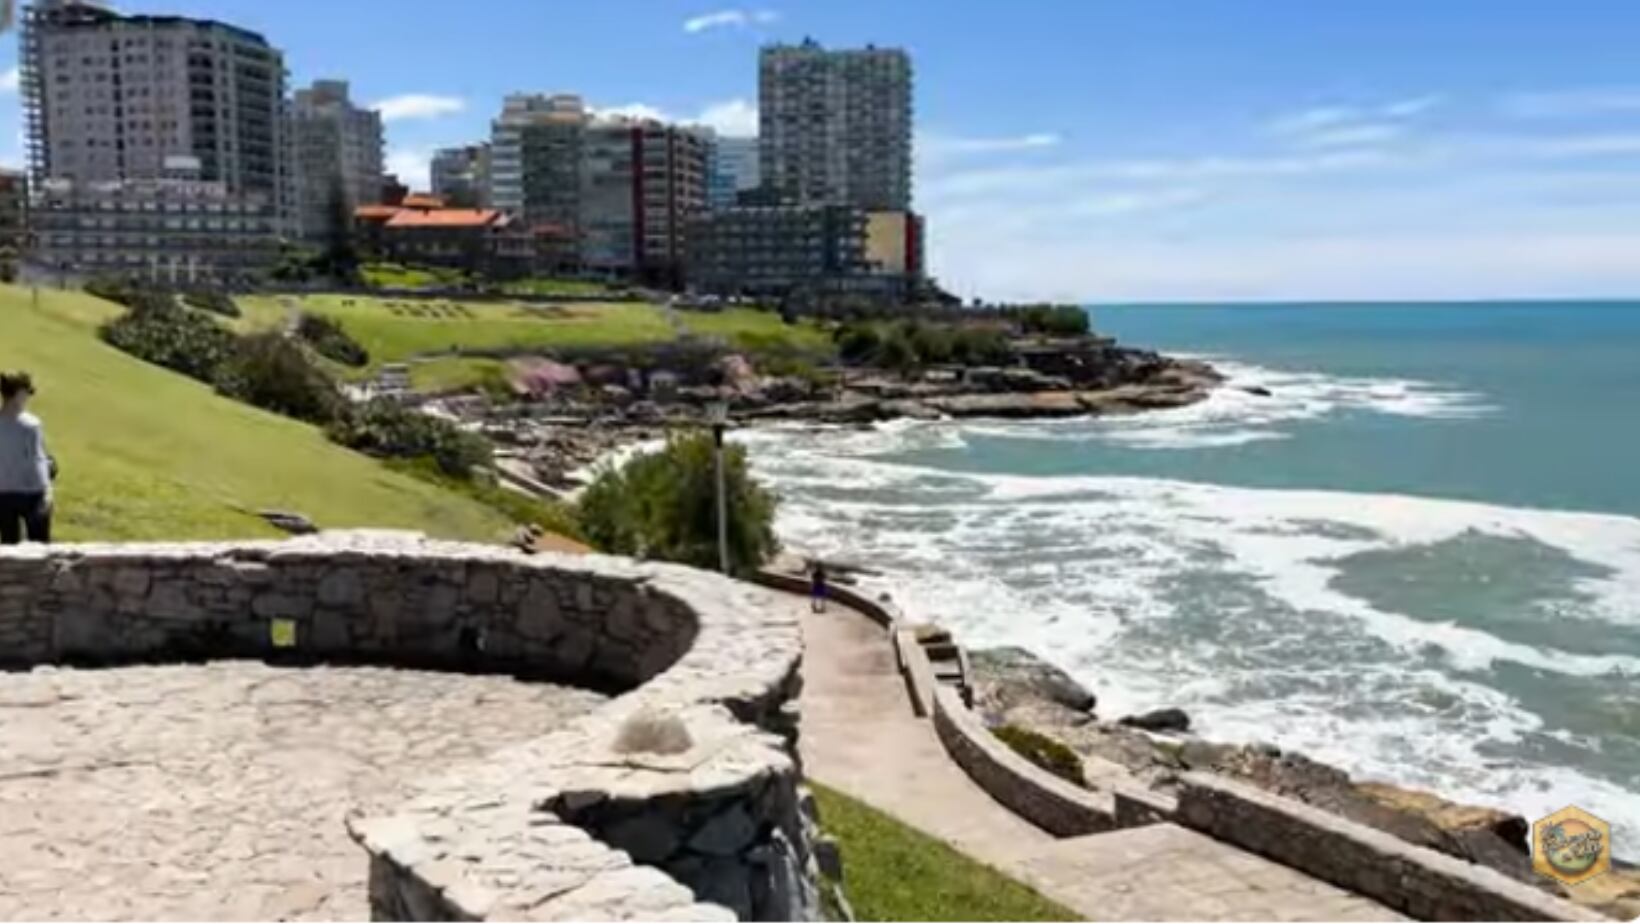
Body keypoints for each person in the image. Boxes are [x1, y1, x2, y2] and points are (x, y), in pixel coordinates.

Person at [0, 371, 54, 545]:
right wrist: (48, 491)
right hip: (31, 493)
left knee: (9, 546)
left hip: (3, 494)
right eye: (27, 393)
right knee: (39, 547)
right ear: (19, 394)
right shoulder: (31, 425)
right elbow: (37, 461)